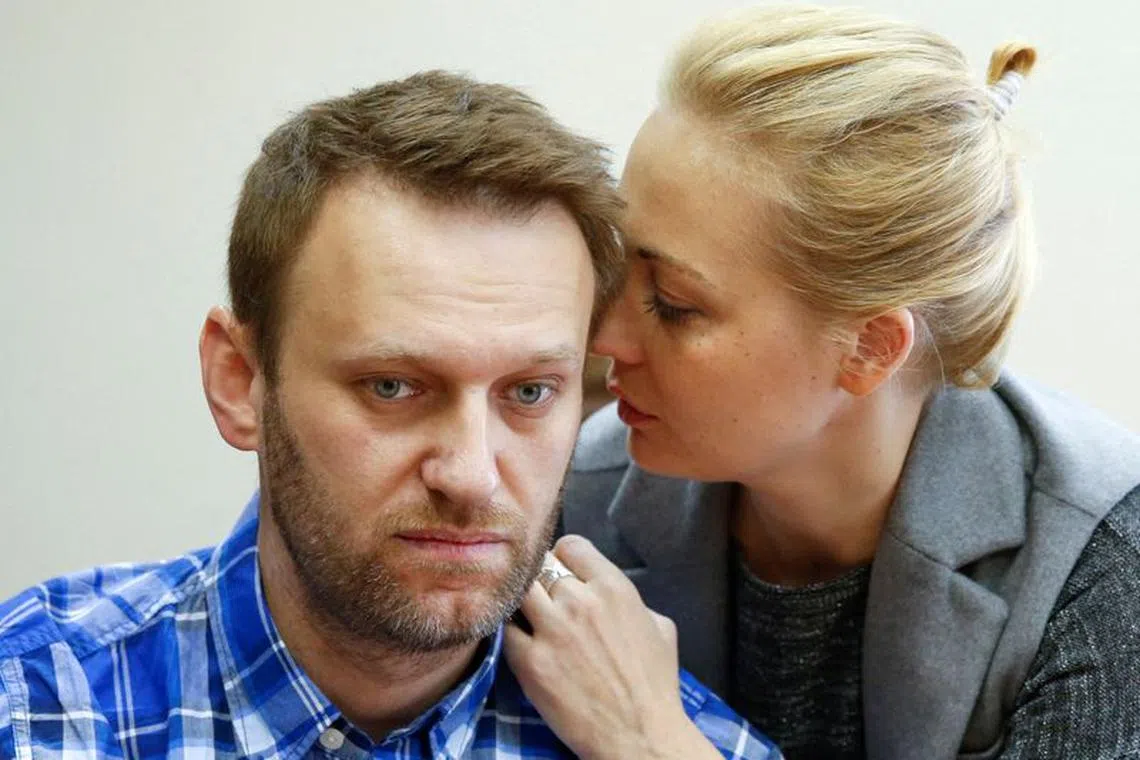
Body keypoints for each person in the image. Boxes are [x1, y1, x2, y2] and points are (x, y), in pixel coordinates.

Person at [0, 71, 781, 759]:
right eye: (392, 388)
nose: (472, 476)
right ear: (240, 381)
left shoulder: (681, 744)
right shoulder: (35, 708)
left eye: (530, 392)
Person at [503, 6, 1140, 760]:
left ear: (870, 348)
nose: (602, 343)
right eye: (618, 266)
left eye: (674, 305)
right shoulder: (571, 489)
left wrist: (649, 741)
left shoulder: (1105, 574)